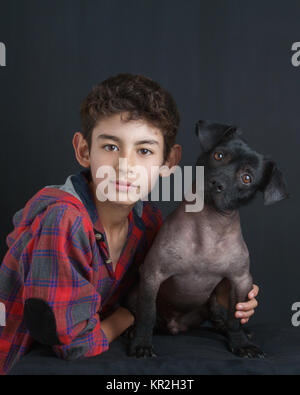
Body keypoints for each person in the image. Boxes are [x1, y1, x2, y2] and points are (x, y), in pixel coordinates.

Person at [0, 73, 258, 374]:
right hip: (16, 362)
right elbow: (73, 344)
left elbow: (158, 294)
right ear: (84, 151)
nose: (125, 166)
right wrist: (126, 316)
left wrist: (227, 295)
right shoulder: (63, 220)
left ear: (168, 163)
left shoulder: (146, 222)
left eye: (144, 151)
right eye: (110, 147)